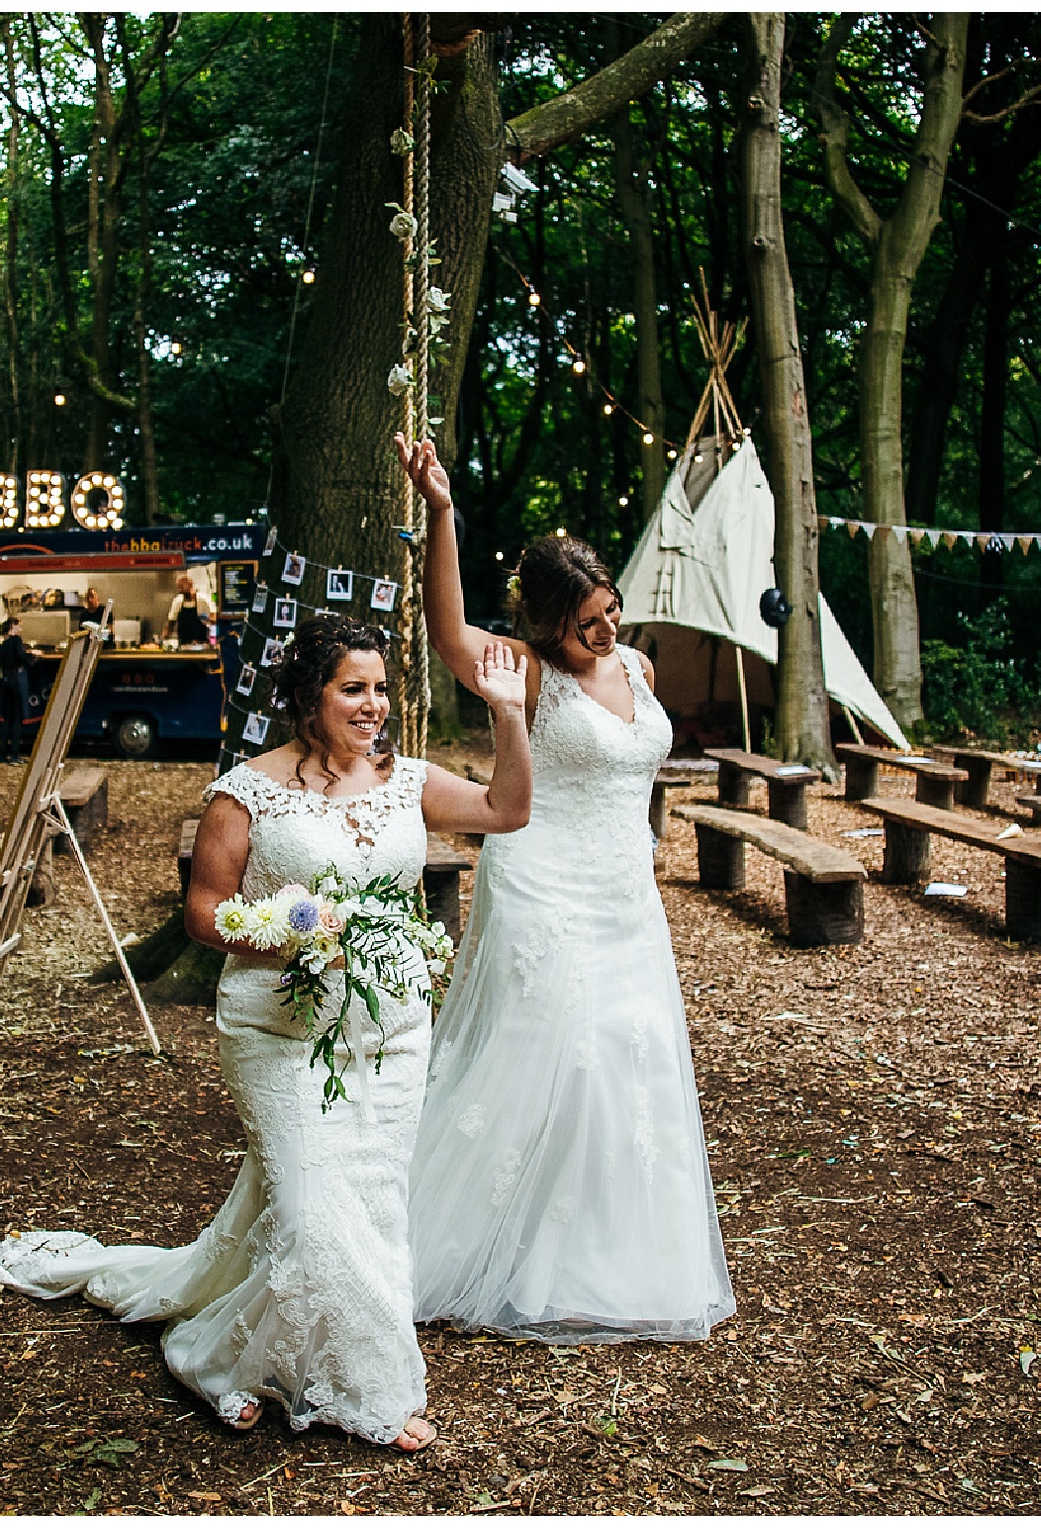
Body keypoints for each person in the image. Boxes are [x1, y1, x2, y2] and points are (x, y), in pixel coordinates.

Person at [0, 615, 534, 1448]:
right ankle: (345, 1384)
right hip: (278, 1028)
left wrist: (509, 713)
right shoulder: (247, 790)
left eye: (379, 688)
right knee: (309, 1213)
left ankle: (224, 1350)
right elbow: (202, 913)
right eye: (353, 688)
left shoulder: (409, 780)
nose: (373, 705)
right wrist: (306, 927)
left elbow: (509, 809)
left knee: (370, 1210)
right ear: (310, 695)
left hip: (393, 1033)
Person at [394, 433, 735, 1344]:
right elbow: (446, 635)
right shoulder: (529, 671)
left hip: (625, 892)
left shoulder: (640, 669)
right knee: (558, 1054)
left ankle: (610, 1255)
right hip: (541, 884)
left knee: (631, 1055)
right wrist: (441, 513)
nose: (607, 632)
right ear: (547, 625)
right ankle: (502, 1248)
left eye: (611, 612)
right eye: (587, 621)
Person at [0, 617, 31, 765]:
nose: (20, 629)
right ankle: (15, 754)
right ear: (12, 627)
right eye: (18, 626)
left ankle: (2, 755)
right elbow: (21, 657)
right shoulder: (16, 641)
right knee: (17, 719)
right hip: (16, 682)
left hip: (5, 682)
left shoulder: (1, 646)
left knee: (7, 720)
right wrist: (33, 655)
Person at [165, 572, 214, 647]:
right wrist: (166, 637)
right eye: (179, 587)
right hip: (184, 644)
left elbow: (209, 622)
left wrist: (213, 641)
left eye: (182, 586)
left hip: (202, 644)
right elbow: (171, 622)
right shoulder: (177, 601)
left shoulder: (202, 601)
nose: (180, 589)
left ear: (191, 585)